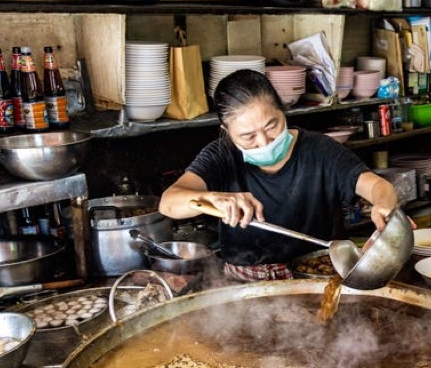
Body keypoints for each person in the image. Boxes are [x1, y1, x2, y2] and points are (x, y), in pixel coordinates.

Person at [158, 69, 400, 282]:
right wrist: (214, 198)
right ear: (227, 132)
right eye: (248, 136)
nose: (264, 142)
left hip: (312, 274)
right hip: (241, 282)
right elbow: (169, 203)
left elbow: (378, 187)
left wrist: (383, 205)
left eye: (272, 126)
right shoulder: (221, 156)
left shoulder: (320, 150)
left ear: (283, 111)